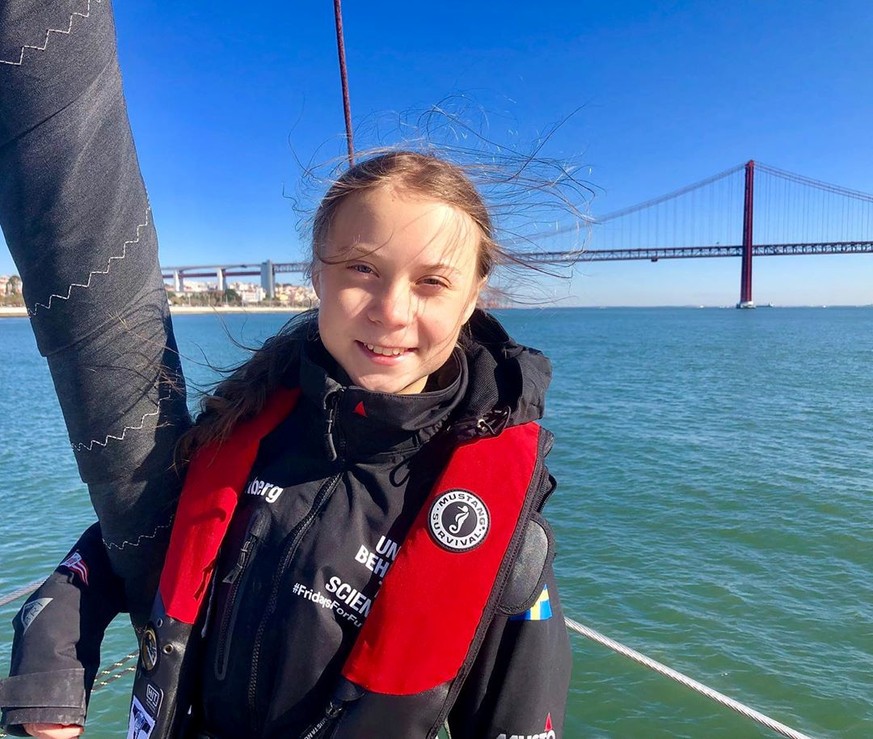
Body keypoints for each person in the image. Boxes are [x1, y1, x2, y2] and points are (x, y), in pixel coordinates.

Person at [0, 3, 572, 737]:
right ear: (317, 275)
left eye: (431, 283)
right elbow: (128, 541)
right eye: (362, 269)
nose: (391, 311)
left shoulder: (501, 538)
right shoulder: (241, 426)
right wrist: (52, 662)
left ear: (472, 299)